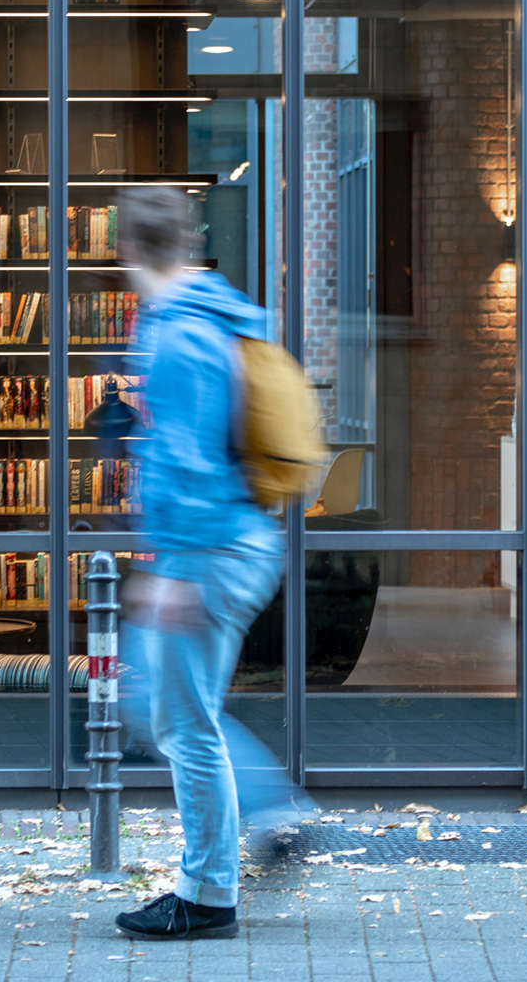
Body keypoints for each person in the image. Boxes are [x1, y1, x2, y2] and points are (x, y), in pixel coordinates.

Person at [110, 187, 315, 941]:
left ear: (129, 250)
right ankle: (270, 812)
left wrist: (169, 571)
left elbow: (186, 457)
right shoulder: (220, 310)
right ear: (188, 242)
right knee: (162, 708)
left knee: (182, 721)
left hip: (208, 549)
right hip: (238, 539)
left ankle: (208, 894)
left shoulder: (177, 334)